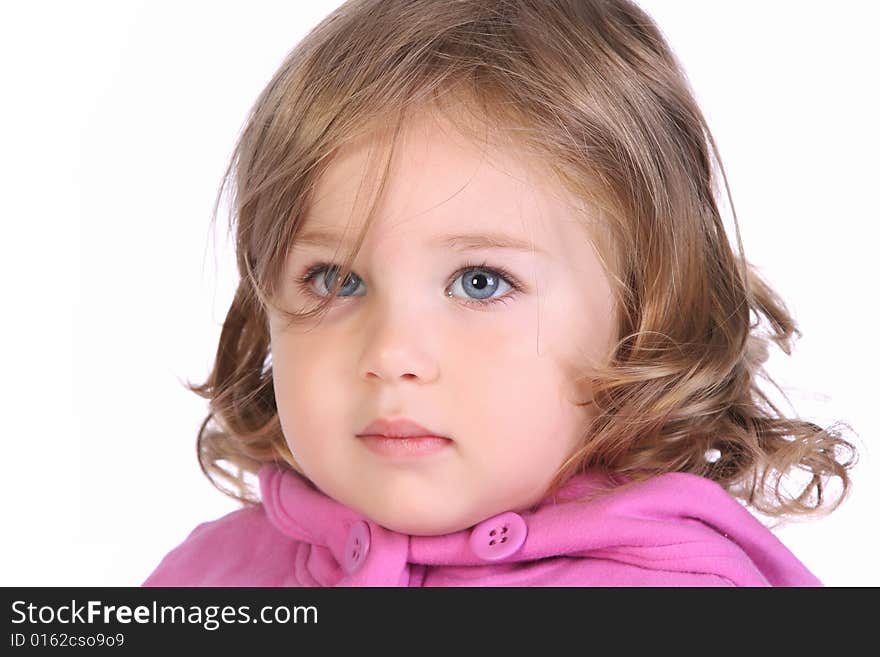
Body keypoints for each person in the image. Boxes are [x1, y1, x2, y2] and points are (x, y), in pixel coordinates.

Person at [143, 0, 857, 586]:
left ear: (641, 315)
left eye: (480, 283)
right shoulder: (206, 578)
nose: (391, 354)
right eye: (335, 279)